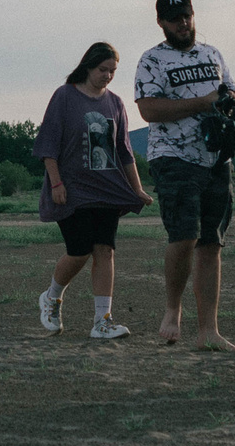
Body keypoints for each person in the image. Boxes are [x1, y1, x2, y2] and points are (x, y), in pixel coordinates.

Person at [133, 0, 235, 351]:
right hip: (174, 157)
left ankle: (208, 331)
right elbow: (148, 110)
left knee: (211, 243)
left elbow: (234, 92)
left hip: (216, 158)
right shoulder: (152, 60)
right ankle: (172, 310)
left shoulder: (212, 54)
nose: (183, 23)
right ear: (161, 22)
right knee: (184, 237)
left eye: (187, 15)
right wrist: (204, 103)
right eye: (175, 18)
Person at [34, 42, 152, 340]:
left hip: (107, 188)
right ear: (88, 66)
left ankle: (103, 321)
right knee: (80, 250)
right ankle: (52, 297)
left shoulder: (115, 102)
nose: (108, 76)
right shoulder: (64, 96)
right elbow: (48, 144)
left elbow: (124, 151)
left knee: (106, 251)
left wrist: (137, 188)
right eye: (103, 70)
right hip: (72, 188)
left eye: (113, 71)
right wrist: (56, 183)